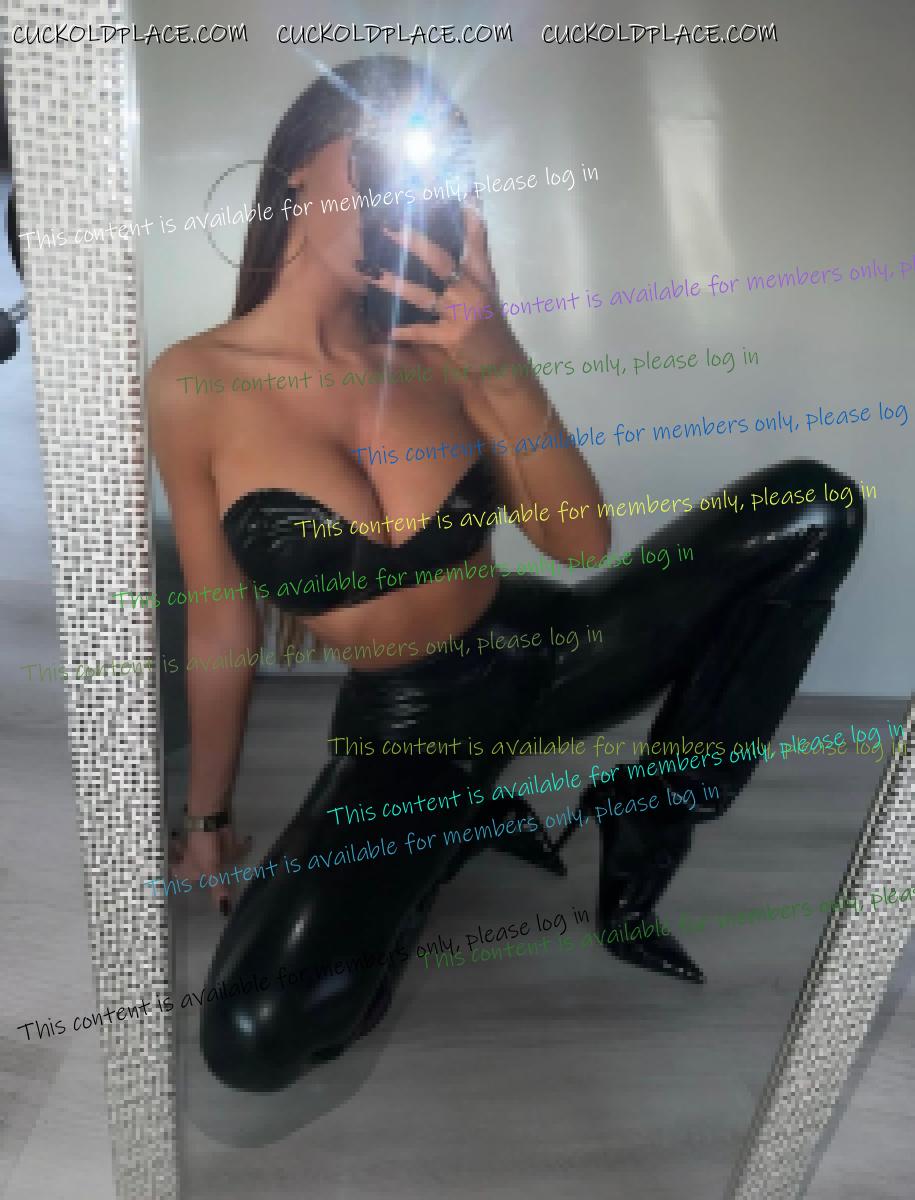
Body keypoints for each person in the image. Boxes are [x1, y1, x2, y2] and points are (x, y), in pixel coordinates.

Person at [148, 56, 865, 1093]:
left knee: (814, 503)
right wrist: (207, 822)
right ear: (301, 164)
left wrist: (502, 361)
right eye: (379, 162)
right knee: (255, 1037)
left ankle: (652, 811)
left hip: (545, 653)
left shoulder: (442, 350)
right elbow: (221, 625)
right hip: (409, 727)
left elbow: (578, 544)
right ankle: (454, 820)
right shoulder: (196, 381)